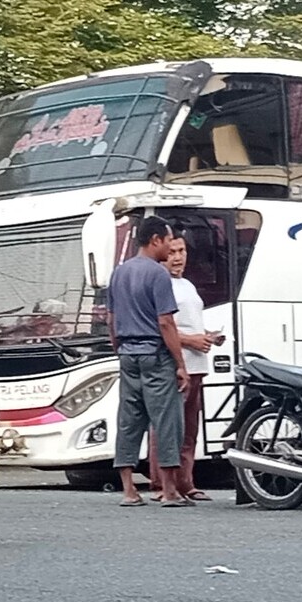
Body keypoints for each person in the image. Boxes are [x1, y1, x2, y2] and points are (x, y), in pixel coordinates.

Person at [106, 216, 190, 507]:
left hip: (128, 354)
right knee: (167, 421)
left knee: (129, 420)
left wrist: (121, 349)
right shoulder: (158, 274)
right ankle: (168, 491)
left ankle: (129, 490)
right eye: (168, 240)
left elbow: (111, 319)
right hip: (155, 354)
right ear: (155, 240)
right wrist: (180, 363)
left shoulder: (119, 273)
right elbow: (165, 322)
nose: (171, 246)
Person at [147, 233, 224, 502]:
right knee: (167, 426)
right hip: (173, 364)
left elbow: (189, 324)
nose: (178, 257)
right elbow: (159, 327)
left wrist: (207, 336)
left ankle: (186, 481)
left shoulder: (188, 285)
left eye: (182, 251)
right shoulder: (159, 283)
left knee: (190, 428)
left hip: (197, 365)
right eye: (173, 252)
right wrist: (191, 340)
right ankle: (160, 483)